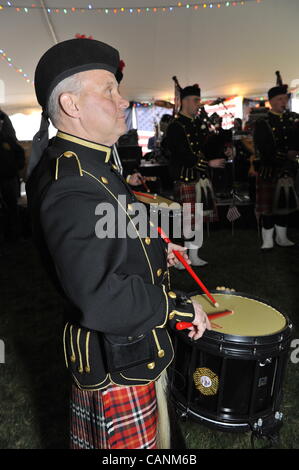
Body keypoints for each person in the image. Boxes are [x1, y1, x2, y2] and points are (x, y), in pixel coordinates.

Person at [25, 38, 211, 450]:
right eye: (108, 89)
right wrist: (178, 305)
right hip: (116, 360)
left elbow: (109, 234)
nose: (123, 100)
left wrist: (155, 251)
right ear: (72, 106)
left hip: (129, 349)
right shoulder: (71, 182)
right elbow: (101, 296)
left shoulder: (92, 161)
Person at [166, 84, 225, 268]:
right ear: (184, 101)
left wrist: (223, 151)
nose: (198, 104)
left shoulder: (197, 123)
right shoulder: (175, 126)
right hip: (185, 178)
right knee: (185, 221)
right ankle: (179, 258)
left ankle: (194, 255)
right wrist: (208, 164)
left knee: (197, 220)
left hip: (199, 179)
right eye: (195, 100)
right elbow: (182, 154)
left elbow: (206, 148)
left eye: (199, 100)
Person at [253, 72, 299, 249]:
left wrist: (293, 154)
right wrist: (285, 156)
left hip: (287, 169)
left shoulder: (291, 120)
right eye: (280, 99)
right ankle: (267, 239)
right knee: (268, 208)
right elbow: (263, 148)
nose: (283, 102)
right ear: (271, 101)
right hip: (269, 170)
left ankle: (282, 237)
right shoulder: (263, 123)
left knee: (284, 204)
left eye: (285, 99)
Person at [0, 109, 25, 241]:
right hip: (8, 176)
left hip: (8, 177)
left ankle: (13, 235)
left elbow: (18, 153)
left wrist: (15, 167)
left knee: (12, 208)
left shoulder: (7, 137)